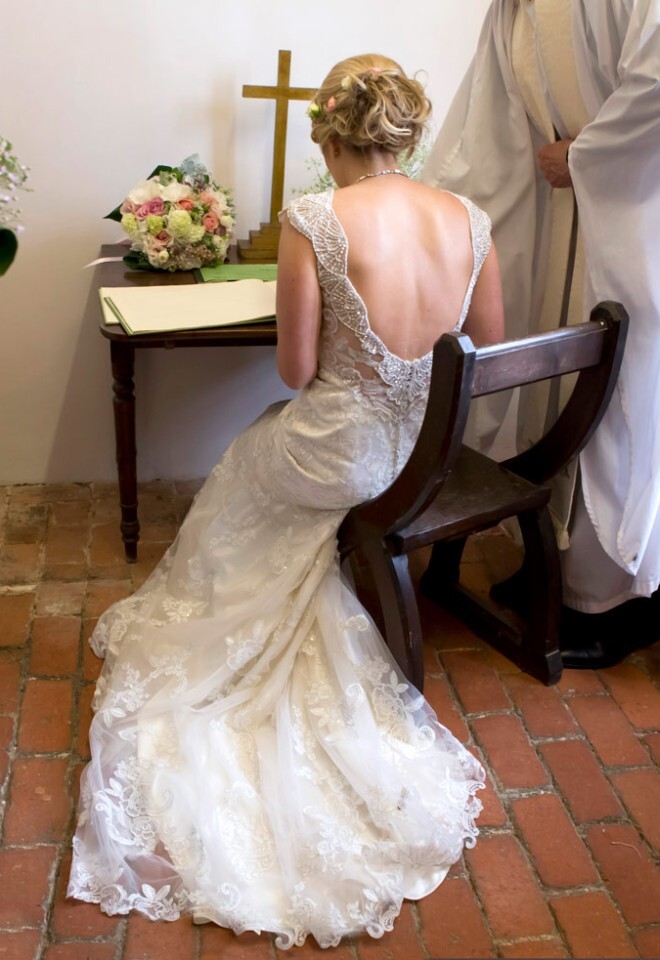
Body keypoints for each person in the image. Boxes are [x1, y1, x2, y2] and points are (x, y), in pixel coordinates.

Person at [68, 53, 505, 949]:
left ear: (329, 135)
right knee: (273, 445)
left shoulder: (316, 216)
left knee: (246, 455)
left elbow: (298, 371)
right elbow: (485, 349)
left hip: (342, 457)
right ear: (408, 130)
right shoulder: (472, 217)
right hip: (425, 454)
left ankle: (245, 616)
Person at [421, 0, 660, 668]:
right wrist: (431, 217)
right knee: (556, 392)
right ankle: (556, 569)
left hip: (633, 212)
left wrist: (587, 153)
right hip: (561, 214)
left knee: (624, 402)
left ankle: (616, 603)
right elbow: (486, 125)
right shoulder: (513, 11)